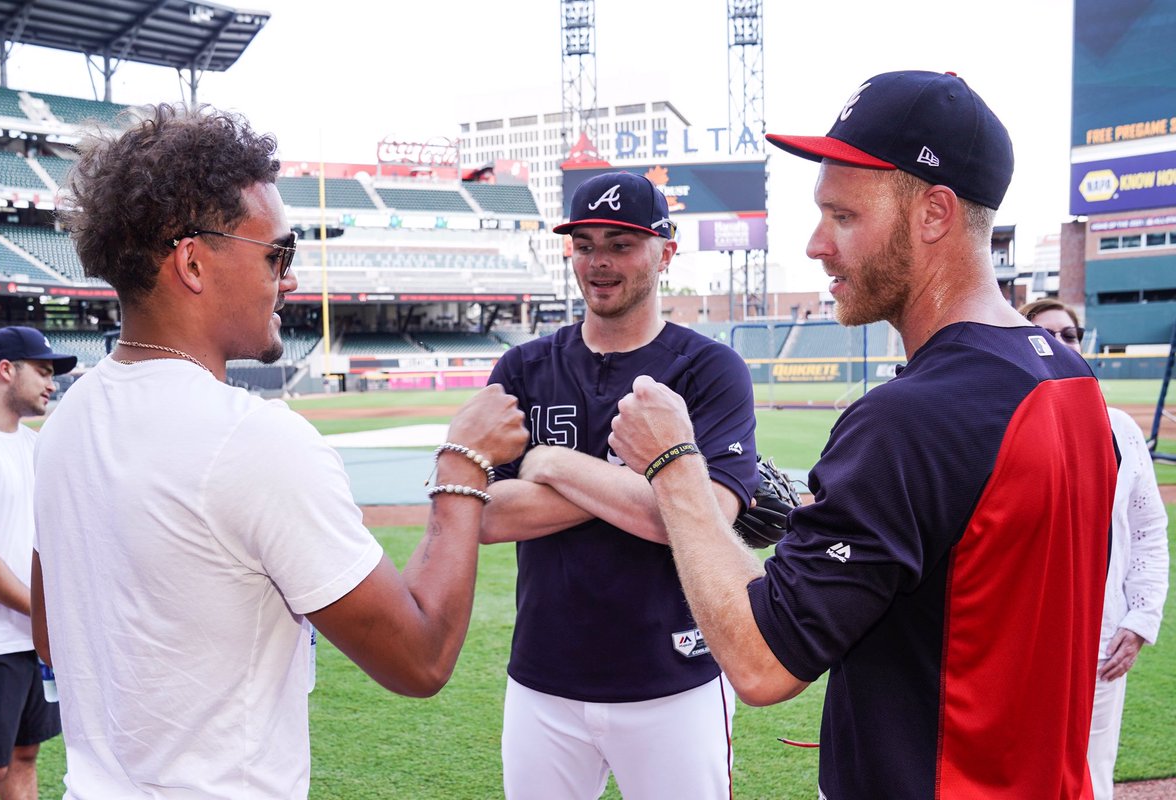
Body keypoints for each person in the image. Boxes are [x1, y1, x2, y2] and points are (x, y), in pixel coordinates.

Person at [607, 70, 1120, 799]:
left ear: (935, 213)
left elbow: (760, 663)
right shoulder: (1070, 376)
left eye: (843, 215)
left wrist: (674, 463)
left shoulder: (908, 417)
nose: (817, 244)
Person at [32, 104, 527, 799]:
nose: (289, 279)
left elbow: (56, 641)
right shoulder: (253, 439)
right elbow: (420, 660)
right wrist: (462, 467)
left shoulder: (65, 421)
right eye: (277, 255)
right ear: (194, 262)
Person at [480, 171, 760, 799]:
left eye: (621, 244)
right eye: (585, 245)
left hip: (676, 675)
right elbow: (486, 515)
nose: (599, 263)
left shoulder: (710, 369)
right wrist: (651, 485)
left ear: (666, 251)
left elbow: (700, 519)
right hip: (543, 679)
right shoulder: (522, 367)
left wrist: (554, 464)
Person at [1019, 298, 1170, 799]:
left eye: (1071, 335)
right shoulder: (1001, 427)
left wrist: (1140, 619)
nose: (1063, 345)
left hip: (1102, 640)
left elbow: (1147, 528)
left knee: (1093, 770)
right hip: (1023, 641)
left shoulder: (1121, 428)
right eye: (1047, 335)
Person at [0, 327, 71, 800]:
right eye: (44, 371)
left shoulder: (33, 447)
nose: (52, 383)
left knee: (23, 757)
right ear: (6, 370)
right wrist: (43, 613)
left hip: (28, 637)